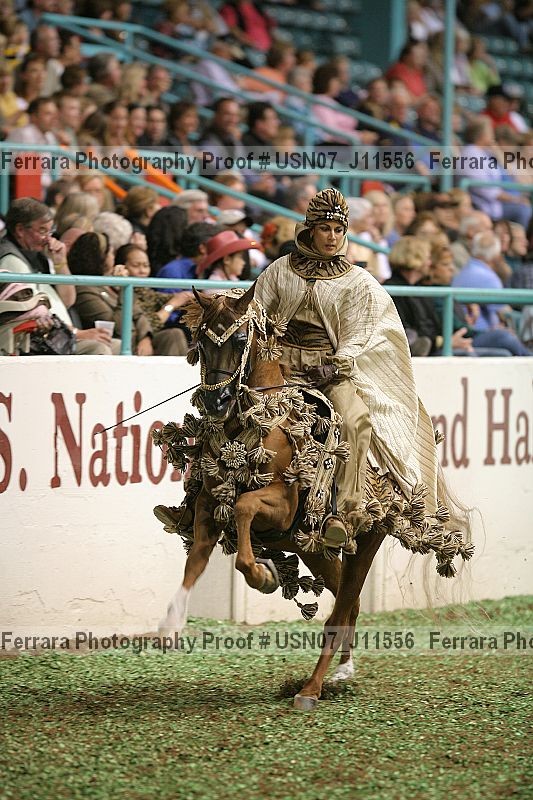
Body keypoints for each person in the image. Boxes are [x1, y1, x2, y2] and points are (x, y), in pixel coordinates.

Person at [254, 188, 452, 545]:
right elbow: (255, 310)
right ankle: (198, 499)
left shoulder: (357, 281)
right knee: (230, 407)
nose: (332, 237)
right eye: (325, 228)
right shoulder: (279, 270)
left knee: (355, 419)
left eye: (338, 230)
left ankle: (345, 512)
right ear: (310, 230)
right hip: (279, 368)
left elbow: (363, 331)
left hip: (328, 371)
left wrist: (337, 364)